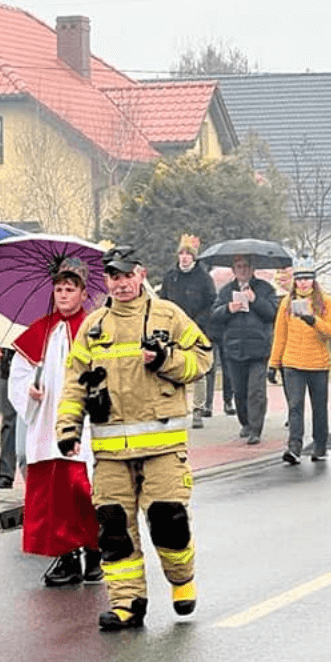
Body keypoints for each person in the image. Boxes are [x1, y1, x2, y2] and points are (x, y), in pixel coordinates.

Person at [56, 245, 213, 631]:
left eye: (127, 275)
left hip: (162, 445)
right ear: (106, 280)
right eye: (113, 276)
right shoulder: (93, 326)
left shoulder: (168, 315)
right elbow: (74, 381)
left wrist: (166, 362)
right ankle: (127, 603)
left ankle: (181, 581)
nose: (121, 283)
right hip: (110, 453)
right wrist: (67, 428)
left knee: (168, 522)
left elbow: (203, 358)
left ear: (141, 275)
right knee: (113, 528)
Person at [9, 259, 101, 587]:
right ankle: (66, 553)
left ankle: (94, 549)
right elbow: (19, 373)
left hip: (82, 419)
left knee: (83, 487)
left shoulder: (94, 328)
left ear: (83, 292)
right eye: (59, 288)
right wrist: (28, 391)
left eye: (70, 288)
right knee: (55, 491)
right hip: (47, 420)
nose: (63, 294)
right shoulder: (41, 330)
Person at [268, 257, 331, 464]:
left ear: (313, 280)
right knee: (295, 406)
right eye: (300, 279)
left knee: (319, 407)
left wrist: (314, 321)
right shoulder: (286, 303)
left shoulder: (325, 301)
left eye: (307, 278)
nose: (303, 283)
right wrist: (274, 363)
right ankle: (294, 448)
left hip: (318, 363)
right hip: (293, 363)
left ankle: (320, 445)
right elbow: (280, 335)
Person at [210, 254, 278, 444]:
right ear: (233, 270)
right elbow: (214, 315)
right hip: (233, 348)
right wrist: (228, 309)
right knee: (239, 391)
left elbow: (272, 313)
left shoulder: (265, 289)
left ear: (252, 269)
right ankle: (245, 423)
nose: (242, 270)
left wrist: (255, 300)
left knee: (255, 391)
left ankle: (256, 428)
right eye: (238, 266)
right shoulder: (225, 291)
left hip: (258, 349)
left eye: (246, 266)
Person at [161, 234, 218, 428]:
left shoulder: (203, 278)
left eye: (188, 254)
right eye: (181, 253)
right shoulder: (170, 277)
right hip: (174, 330)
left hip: (197, 329)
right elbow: (164, 301)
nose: (184, 257)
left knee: (198, 371)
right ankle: (176, 407)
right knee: (173, 368)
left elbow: (211, 302)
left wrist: (198, 322)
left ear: (194, 257)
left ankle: (198, 409)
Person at [0, 349, 18, 488]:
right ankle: (5, 473)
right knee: (9, 421)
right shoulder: (10, 328)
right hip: (10, 370)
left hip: (36, 370)